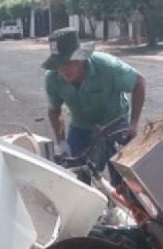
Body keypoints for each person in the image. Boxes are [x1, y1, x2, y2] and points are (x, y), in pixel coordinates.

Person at [41, 27, 146, 186]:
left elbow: (139, 83)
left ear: (81, 58)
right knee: (75, 176)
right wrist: (62, 143)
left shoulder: (107, 66)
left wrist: (133, 123)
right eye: (59, 64)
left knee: (125, 180)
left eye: (68, 62)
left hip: (115, 122)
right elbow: (54, 111)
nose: (63, 70)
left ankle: (123, 201)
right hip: (81, 125)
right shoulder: (52, 79)